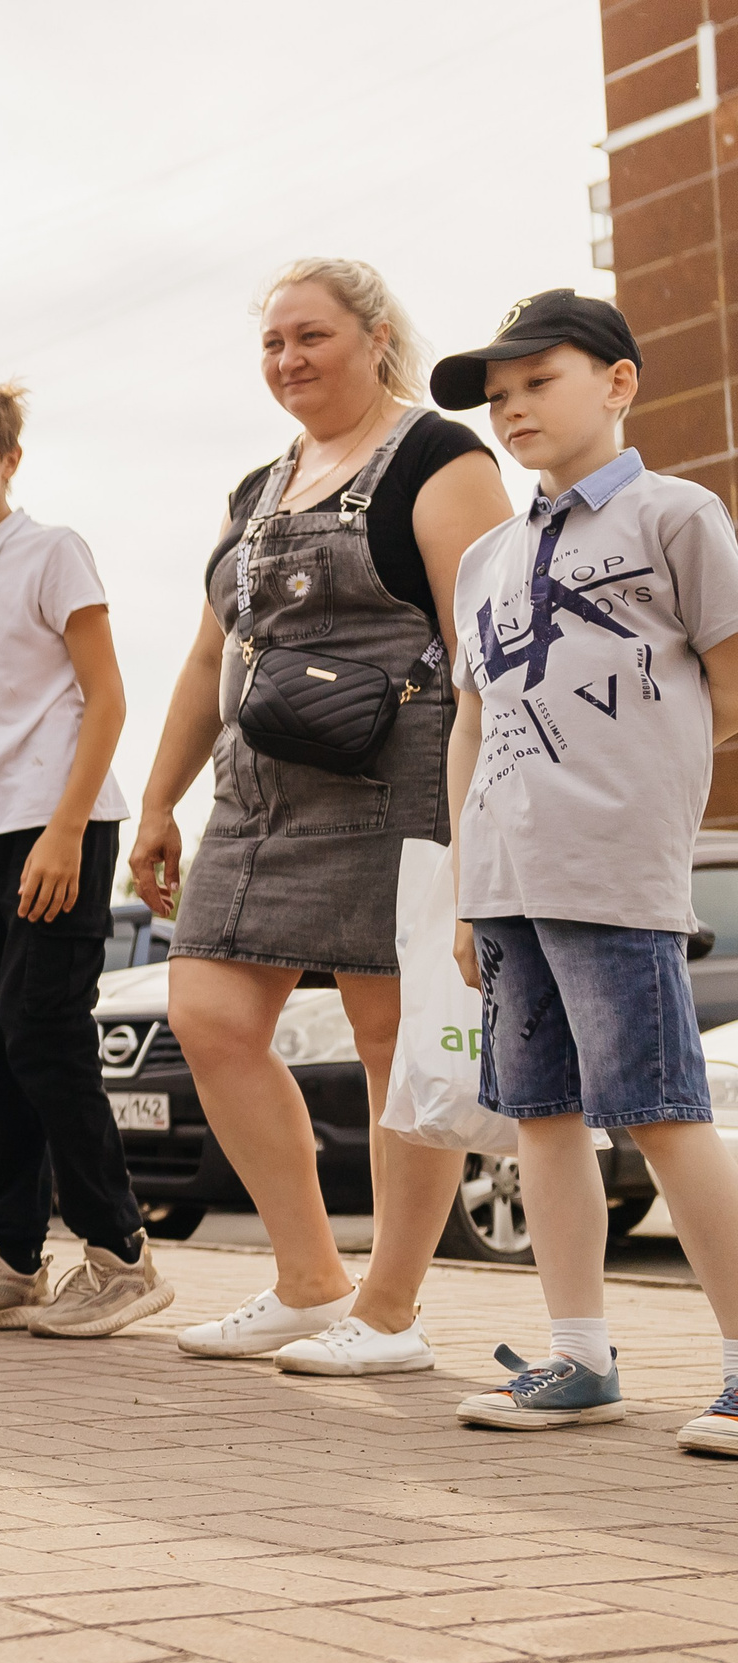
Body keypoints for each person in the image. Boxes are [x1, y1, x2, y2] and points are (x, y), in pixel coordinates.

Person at [127, 259, 512, 1374]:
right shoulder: (256, 488)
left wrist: (475, 819)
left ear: (376, 335)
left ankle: (389, 1313)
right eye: (272, 344)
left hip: (397, 777)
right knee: (207, 1015)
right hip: (255, 795)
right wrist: (159, 800)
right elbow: (211, 654)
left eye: (312, 337)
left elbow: (484, 654)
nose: (288, 361)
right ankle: (307, 1283)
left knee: (394, 1042)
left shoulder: (442, 459)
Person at [427, 290, 738, 1451]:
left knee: (659, 1114)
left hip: (612, 868)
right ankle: (578, 1356)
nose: (511, 409)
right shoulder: (486, 562)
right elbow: (469, 725)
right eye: (495, 397)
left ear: (617, 382)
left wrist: (641, 804)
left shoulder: (676, 516)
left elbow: (726, 682)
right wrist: (467, 882)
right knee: (541, 1119)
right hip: (505, 876)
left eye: (536, 382)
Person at [0, 379, 169, 1339]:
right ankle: (14, 1260)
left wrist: (64, 828)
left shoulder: (53, 552)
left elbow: (105, 697)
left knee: (42, 1025)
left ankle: (122, 1254)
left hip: (64, 822)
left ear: (11, 459)